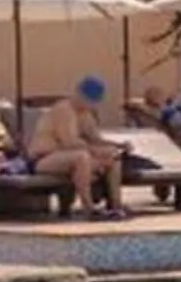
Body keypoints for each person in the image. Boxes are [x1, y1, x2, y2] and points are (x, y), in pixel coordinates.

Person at [30, 78, 130, 216]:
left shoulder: (85, 114)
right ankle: (88, 207)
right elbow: (69, 143)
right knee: (81, 157)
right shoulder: (64, 110)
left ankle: (116, 205)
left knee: (113, 156)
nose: (89, 104)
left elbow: (96, 139)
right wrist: (95, 151)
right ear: (78, 94)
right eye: (87, 99)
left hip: (69, 158)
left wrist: (118, 146)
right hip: (44, 159)